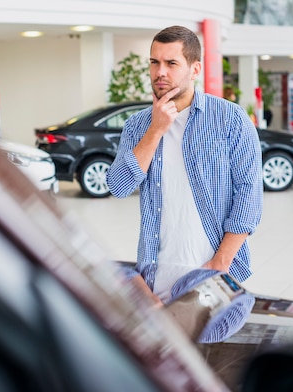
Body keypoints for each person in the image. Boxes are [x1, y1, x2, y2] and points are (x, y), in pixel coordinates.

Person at [107, 25, 263, 306]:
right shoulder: (137, 126)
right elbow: (119, 186)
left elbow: (249, 195)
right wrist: (156, 130)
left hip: (214, 275)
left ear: (195, 69)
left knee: (212, 350)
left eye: (171, 63)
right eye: (154, 62)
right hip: (155, 282)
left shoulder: (231, 119)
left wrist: (219, 264)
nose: (160, 72)